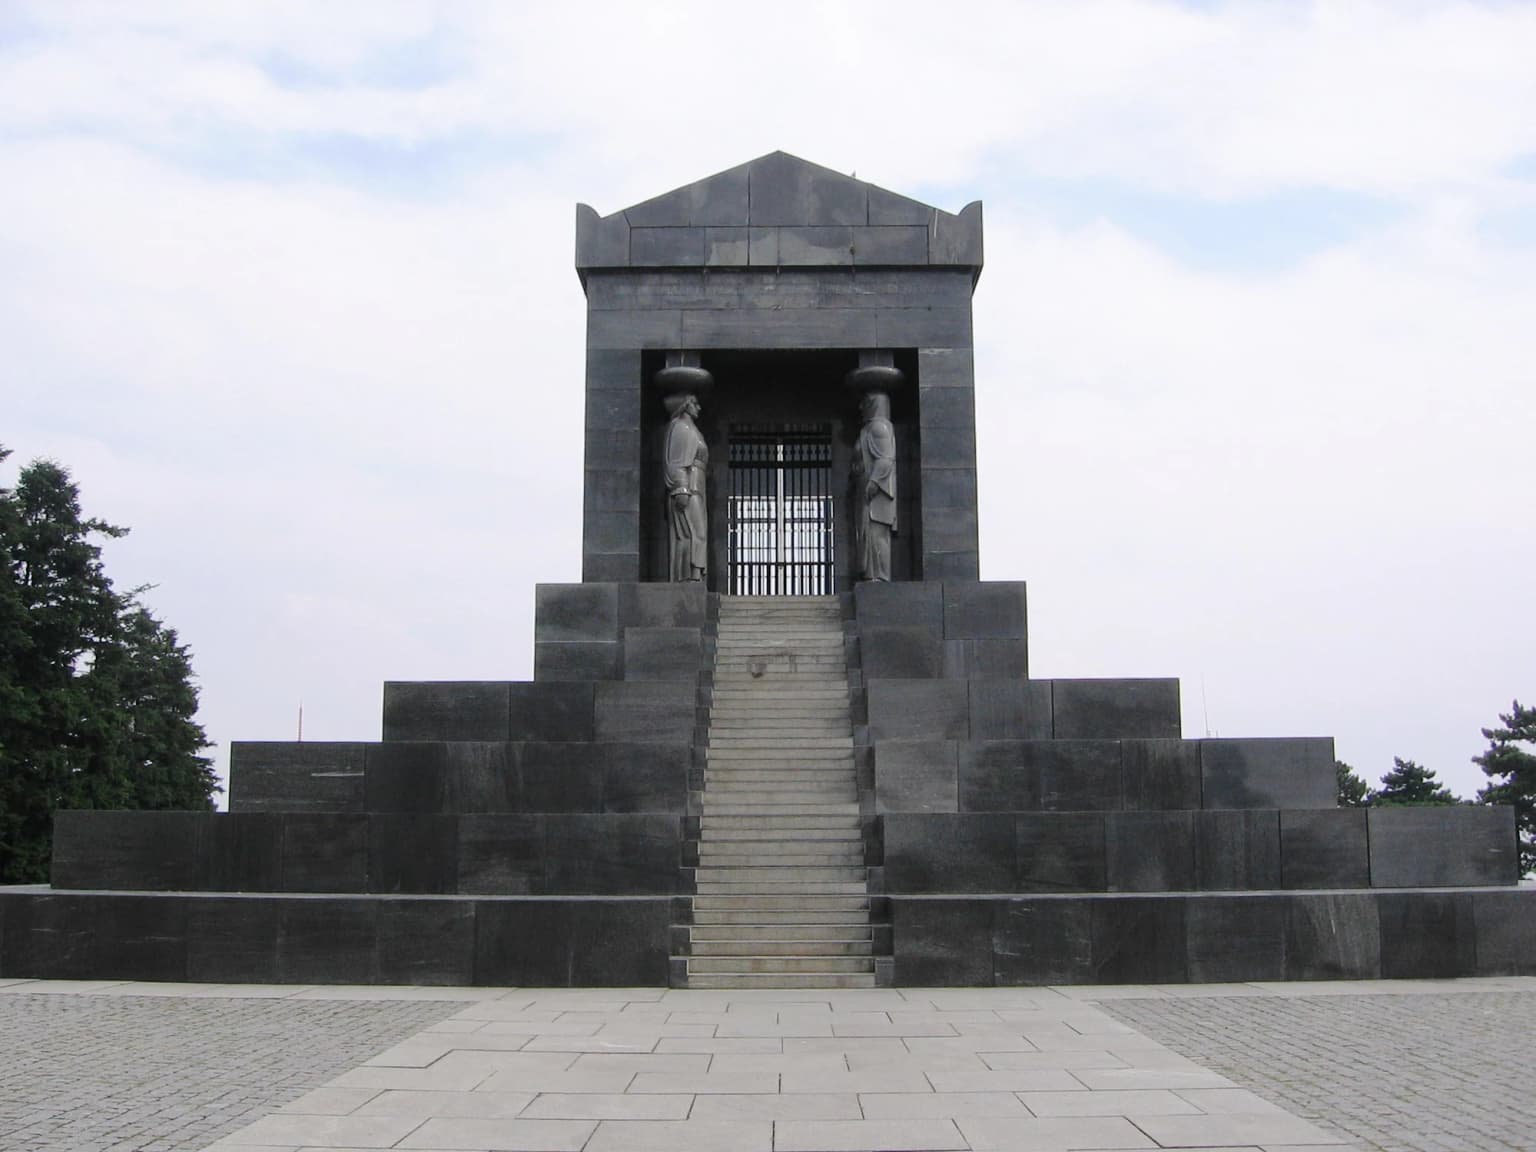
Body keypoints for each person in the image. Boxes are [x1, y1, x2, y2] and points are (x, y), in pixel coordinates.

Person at [663, 392, 708, 582]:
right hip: (688, 486)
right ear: (685, 405)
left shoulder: (693, 429)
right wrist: (681, 487)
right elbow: (675, 462)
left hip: (697, 485)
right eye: (695, 403)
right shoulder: (680, 428)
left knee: (698, 532)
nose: (698, 408)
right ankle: (689, 576)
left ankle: (695, 575)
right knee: (692, 531)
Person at [854, 390, 896, 581]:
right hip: (865, 492)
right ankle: (872, 575)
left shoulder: (879, 428)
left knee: (877, 534)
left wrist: (874, 482)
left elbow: (886, 459)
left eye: (865, 402)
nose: (860, 408)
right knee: (868, 534)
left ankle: (880, 577)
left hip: (875, 494)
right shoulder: (869, 429)